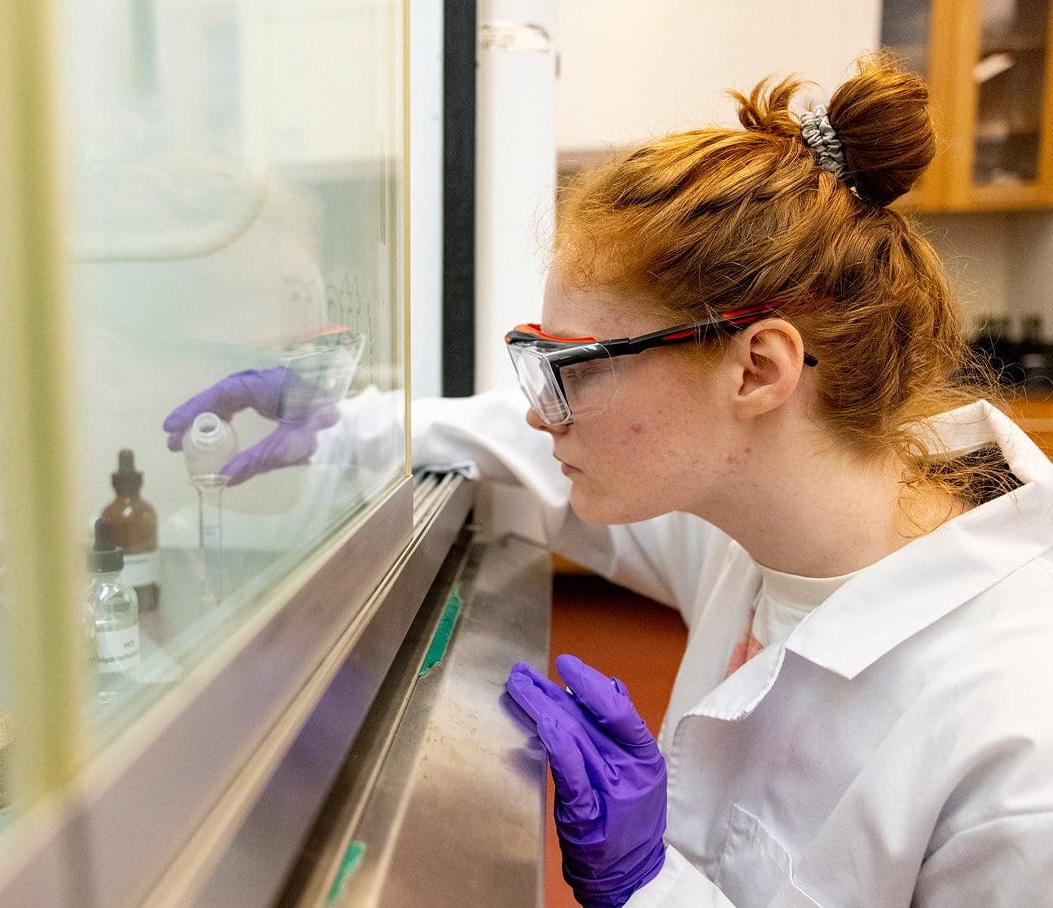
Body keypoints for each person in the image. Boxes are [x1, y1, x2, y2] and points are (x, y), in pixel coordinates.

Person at [167, 53, 1053, 906]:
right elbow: (506, 449)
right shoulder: (770, 520)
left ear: (757, 370)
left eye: (577, 369)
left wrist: (648, 888)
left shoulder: (1017, 748)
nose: (539, 415)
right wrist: (334, 419)